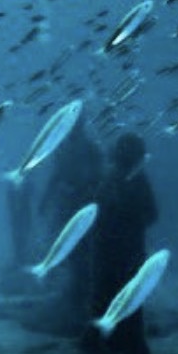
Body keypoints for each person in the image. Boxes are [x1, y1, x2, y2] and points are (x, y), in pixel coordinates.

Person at [90, 132, 159, 354]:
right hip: (110, 250)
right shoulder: (112, 177)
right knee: (109, 294)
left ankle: (127, 344)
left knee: (127, 295)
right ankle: (111, 343)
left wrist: (126, 219)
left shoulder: (136, 179)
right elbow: (98, 209)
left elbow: (151, 214)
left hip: (125, 251)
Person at [39, 111, 104, 325]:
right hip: (67, 205)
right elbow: (56, 175)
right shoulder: (62, 147)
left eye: (77, 123)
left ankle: (82, 294)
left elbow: (99, 177)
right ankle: (74, 292)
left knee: (83, 250)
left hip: (83, 205)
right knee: (68, 249)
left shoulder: (92, 148)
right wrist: (46, 199)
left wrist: (91, 197)